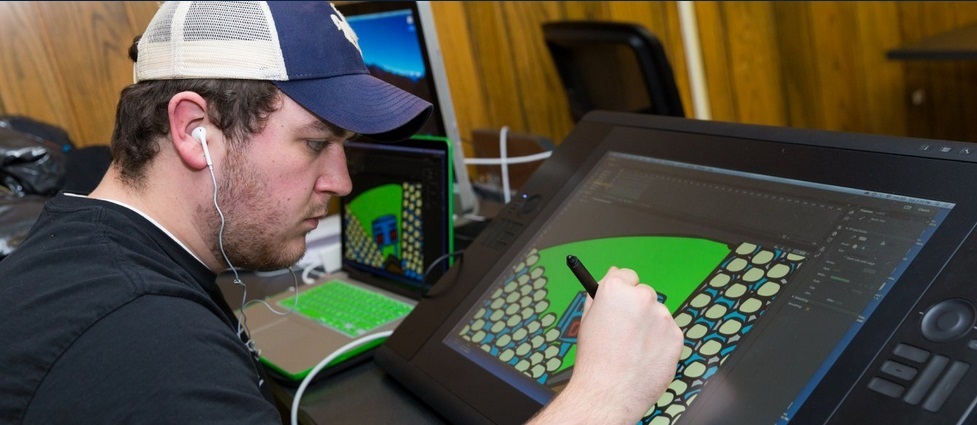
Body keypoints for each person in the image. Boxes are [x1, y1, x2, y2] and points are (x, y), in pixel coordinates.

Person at [0, 2, 682, 425]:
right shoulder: (152, 359)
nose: (342, 179)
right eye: (316, 143)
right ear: (193, 130)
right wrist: (603, 396)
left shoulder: (81, 245)